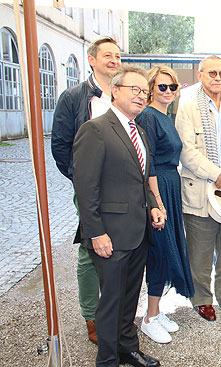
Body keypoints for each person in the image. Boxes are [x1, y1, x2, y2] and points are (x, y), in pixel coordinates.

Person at [73, 64, 164, 367]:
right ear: (115, 90)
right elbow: (86, 188)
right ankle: (108, 359)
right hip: (109, 235)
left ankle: (128, 349)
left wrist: (152, 205)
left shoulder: (138, 130)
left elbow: (140, 179)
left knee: (129, 299)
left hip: (137, 231)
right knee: (111, 302)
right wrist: (96, 232)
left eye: (144, 92)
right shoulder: (95, 130)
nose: (141, 96)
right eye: (134, 90)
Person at [51, 36, 121, 344]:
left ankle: (116, 309)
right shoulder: (75, 97)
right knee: (90, 249)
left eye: (117, 56)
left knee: (123, 248)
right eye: (107, 55)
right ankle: (91, 316)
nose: (114, 60)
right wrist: (82, 179)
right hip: (91, 188)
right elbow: (60, 145)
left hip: (125, 188)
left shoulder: (124, 94)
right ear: (91, 59)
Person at [175, 55, 221, 321]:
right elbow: (186, 151)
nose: (217, 78)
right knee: (200, 252)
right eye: (212, 73)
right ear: (200, 74)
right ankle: (202, 298)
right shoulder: (188, 107)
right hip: (200, 190)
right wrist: (216, 174)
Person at [135, 66, 194, 344]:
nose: (168, 91)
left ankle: (155, 312)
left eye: (172, 87)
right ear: (150, 88)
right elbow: (149, 164)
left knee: (166, 251)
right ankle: (148, 318)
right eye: (162, 87)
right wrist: (158, 203)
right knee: (159, 254)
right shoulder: (148, 115)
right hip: (158, 190)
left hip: (170, 186)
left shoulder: (165, 115)